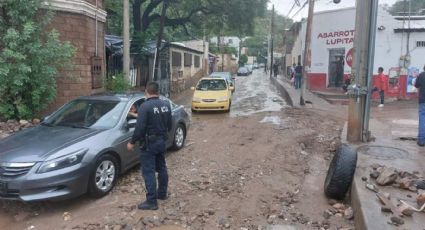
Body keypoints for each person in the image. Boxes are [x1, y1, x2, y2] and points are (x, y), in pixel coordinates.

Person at [127, 82, 172, 210]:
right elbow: (169, 125)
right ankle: (162, 194)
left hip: (148, 145)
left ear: (146, 92)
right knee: (162, 168)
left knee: (148, 172)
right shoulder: (166, 104)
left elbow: (139, 129)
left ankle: (151, 201)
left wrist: (131, 142)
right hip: (161, 142)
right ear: (158, 92)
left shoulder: (145, 107)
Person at [415, 65, 425, 147]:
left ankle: (421, 140)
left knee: (422, 119)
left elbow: (416, 85)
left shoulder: (421, 75)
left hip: (423, 101)